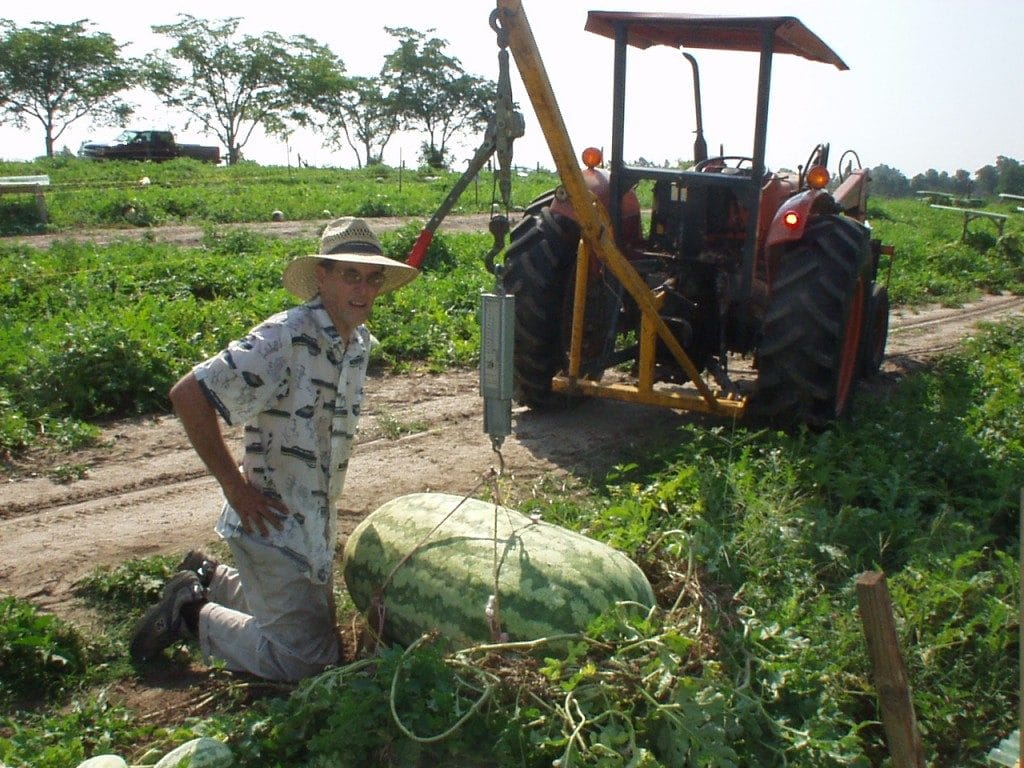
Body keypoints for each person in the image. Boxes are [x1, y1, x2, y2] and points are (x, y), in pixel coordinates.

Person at [129, 217, 419, 681]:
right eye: (350, 274)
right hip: (269, 522)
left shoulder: (357, 344)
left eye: (372, 277)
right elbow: (188, 395)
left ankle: (210, 575)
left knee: (315, 632)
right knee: (307, 661)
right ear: (321, 276)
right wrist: (235, 489)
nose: (363, 289)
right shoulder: (285, 337)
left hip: (311, 523)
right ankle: (191, 615)